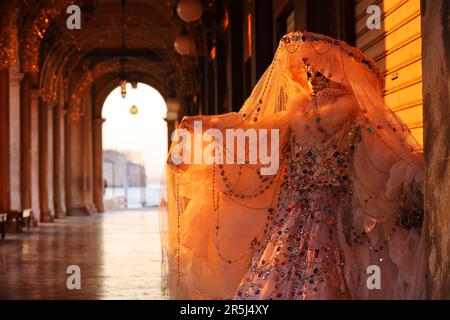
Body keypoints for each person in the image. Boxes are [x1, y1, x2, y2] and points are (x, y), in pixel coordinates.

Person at [160, 31, 425, 300]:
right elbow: (248, 135)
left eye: (322, 75)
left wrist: (417, 174)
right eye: (312, 75)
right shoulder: (293, 122)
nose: (314, 81)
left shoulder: (354, 124)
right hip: (290, 220)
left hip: (334, 220)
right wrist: (205, 128)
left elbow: (387, 155)